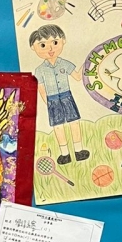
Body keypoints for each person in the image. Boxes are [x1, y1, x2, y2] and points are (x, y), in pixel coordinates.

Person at [29, 24, 89, 165]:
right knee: (58, 126)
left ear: (63, 40)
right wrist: (48, 102)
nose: (50, 49)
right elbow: (40, 87)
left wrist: (87, 63)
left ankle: (79, 150)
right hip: (52, 100)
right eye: (43, 45)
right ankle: (64, 154)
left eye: (55, 43)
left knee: (74, 122)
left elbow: (77, 77)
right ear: (33, 48)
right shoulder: (39, 70)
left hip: (67, 96)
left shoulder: (65, 64)